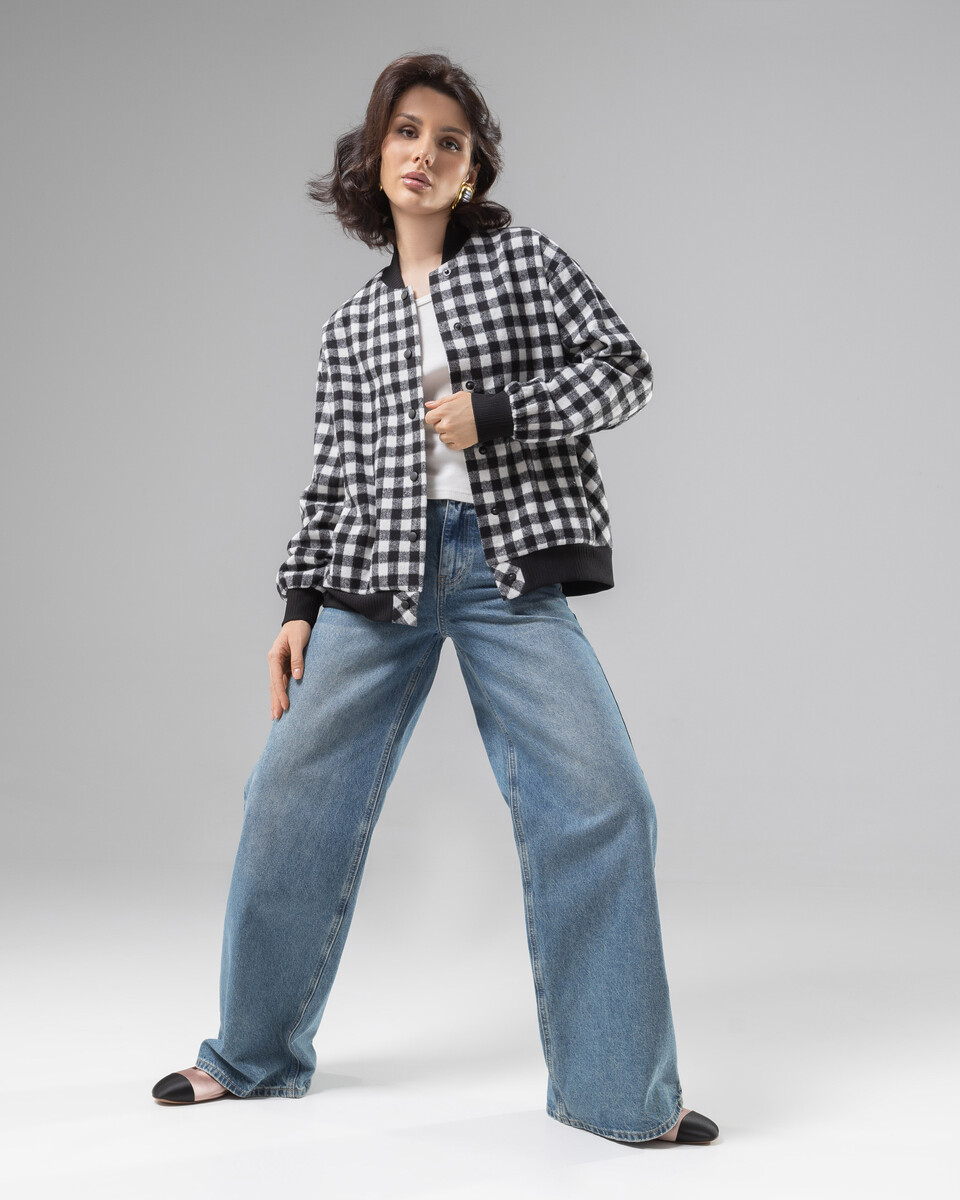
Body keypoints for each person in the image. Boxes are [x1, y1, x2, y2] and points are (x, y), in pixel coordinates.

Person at [151, 51, 719, 1147]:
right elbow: (330, 480)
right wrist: (298, 605)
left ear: (472, 172)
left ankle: (619, 1094)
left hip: (503, 570)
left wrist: (496, 412)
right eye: (406, 132)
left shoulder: (523, 262)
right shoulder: (348, 327)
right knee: (287, 800)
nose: (424, 153)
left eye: (448, 141)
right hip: (375, 578)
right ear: (376, 154)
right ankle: (251, 1056)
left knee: (603, 801)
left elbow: (624, 368)